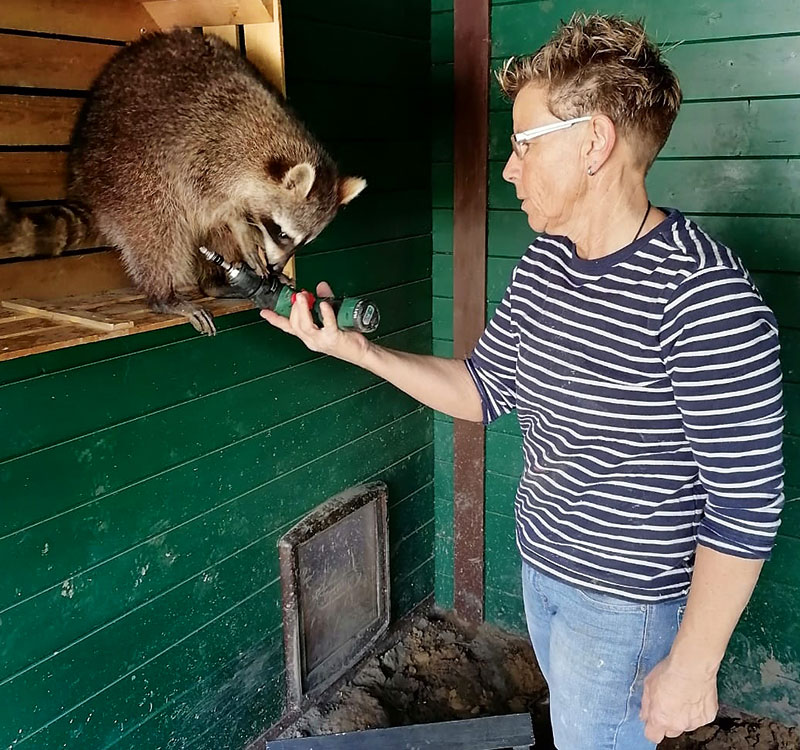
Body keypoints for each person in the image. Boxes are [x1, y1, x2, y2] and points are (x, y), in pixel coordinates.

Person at [261, 13, 784, 750]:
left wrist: (694, 666)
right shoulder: (547, 264)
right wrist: (358, 352)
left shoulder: (704, 299)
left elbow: (748, 502)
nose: (509, 169)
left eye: (521, 145)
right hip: (542, 565)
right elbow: (482, 389)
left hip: (625, 607)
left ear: (594, 143)